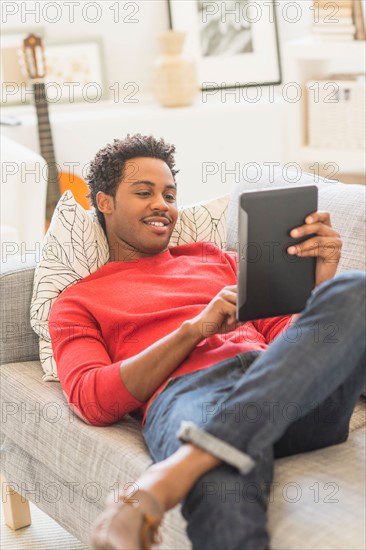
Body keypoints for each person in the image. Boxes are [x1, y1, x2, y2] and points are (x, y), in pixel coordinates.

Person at [49, 134, 366, 550]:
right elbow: (93, 398)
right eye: (144, 192)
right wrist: (194, 330)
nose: (162, 204)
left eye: (169, 194)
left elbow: (294, 345)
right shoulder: (77, 300)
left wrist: (321, 283)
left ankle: (171, 475)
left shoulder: (218, 260)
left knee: (354, 289)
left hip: (285, 391)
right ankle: (202, 458)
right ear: (105, 202)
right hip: (191, 397)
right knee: (219, 484)